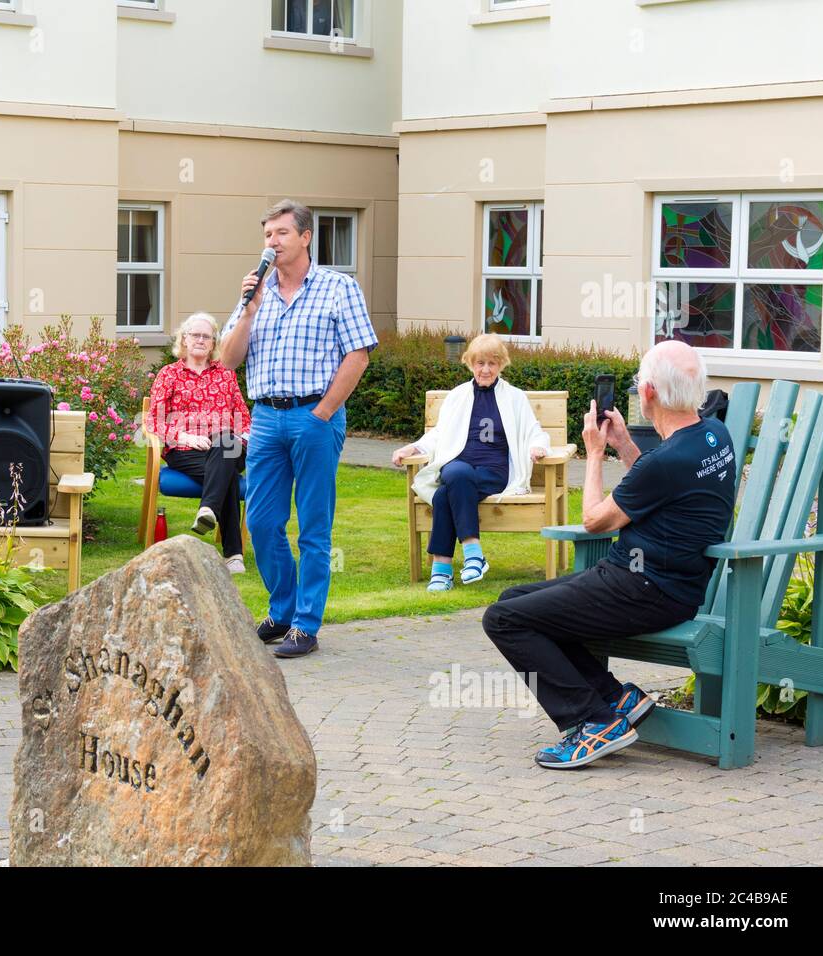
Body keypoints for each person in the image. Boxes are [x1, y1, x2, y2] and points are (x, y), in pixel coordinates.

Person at [482, 340, 735, 769]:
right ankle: (615, 697)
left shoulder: (667, 460)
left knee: (502, 620)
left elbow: (595, 520)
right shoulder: (713, 436)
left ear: (650, 393)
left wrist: (595, 453)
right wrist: (623, 446)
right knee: (512, 602)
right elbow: (661, 486)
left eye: (640, 383)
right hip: (664, 584)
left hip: (643, 588)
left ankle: (593, 720)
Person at [220, 199, 378, 659]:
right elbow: (228, 360)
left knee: (313, 526)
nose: (273, 242)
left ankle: (306, 624)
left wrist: (324, 412)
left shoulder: (337, 288)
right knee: (262, 521)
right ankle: (281, 610)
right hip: (266, 419)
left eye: (282, 234)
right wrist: (249, 310)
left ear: (305, 237)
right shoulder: (256, 292)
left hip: (315, 417)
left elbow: (358, 355)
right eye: (268, 235)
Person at [391, 334, 551, 591]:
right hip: (460, 467)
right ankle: (473, 554)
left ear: (501, 365)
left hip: (494, 472)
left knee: (447, 490)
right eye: (480, 363)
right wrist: (413, 447)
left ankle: (442, 569)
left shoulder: (515, 397)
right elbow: (440, 434)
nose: (485, 369)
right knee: (455, 474)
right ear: (470, 364)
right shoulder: (458, 396)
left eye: (491, 363)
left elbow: (534, 430)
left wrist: (538, 446)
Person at [147, 312, 250, 574]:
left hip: (227, 447)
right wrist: (185, 437)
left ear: (214, 343)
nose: (201, 340)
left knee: (225, 442)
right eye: (195, 335)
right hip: (185, 450)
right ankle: (234, 555)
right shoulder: (169, 375)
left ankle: (208, 509)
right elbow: (154, 421)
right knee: (224, 475)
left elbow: (244, 419)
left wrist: (241, 438)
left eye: (207, 336)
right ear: (184, 339)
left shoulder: (226, 375)